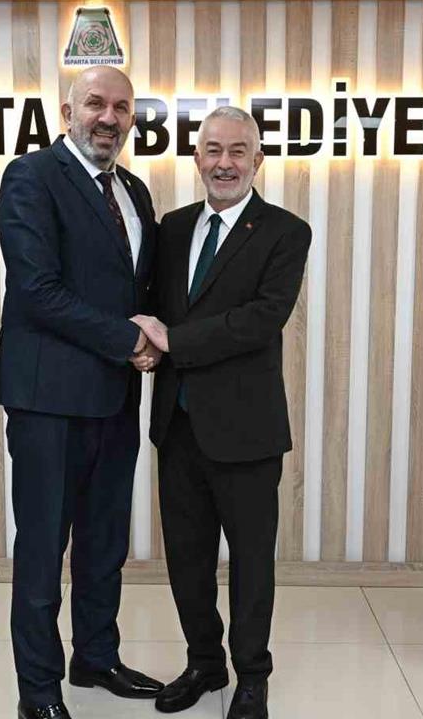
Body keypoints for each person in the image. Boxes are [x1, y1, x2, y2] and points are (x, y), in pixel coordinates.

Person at [0, 65, 165, 719]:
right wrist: (129, 340)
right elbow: (37, 290)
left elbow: (138, 290)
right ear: (68, 111)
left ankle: (96, 658)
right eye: (96, 103)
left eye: (121, 107)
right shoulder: (32, 177)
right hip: (48, 402)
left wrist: (159, 338)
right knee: (43, 549)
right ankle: (38, 692)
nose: (109, 117)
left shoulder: (135, 190)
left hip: (115, 399)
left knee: (103, 543)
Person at [133, 106, 311, 719]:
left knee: (252, 562)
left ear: (257, 160)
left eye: (238, 151)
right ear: (197, 158)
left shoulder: (286, 232)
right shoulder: (173, 227)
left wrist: (173, 342)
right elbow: (156, 307)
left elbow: (262, 319)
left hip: (247, 430)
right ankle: (204, 664)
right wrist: (142, 344)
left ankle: (252, 677)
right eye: (213, 150)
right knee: (187, 558)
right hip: (177, 424)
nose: (225, 163)